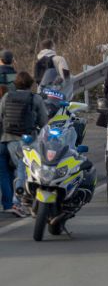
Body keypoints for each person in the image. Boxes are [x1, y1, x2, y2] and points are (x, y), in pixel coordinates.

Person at [1, 72, 47, 217]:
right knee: (24, 170)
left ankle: (12, 202)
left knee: (11, 171)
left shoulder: (7, 97)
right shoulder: (36, 98)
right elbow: (43, 121)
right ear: (30, 84)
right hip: (27, 139)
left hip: (8, 139)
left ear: (15, 83)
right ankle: (18, 202)